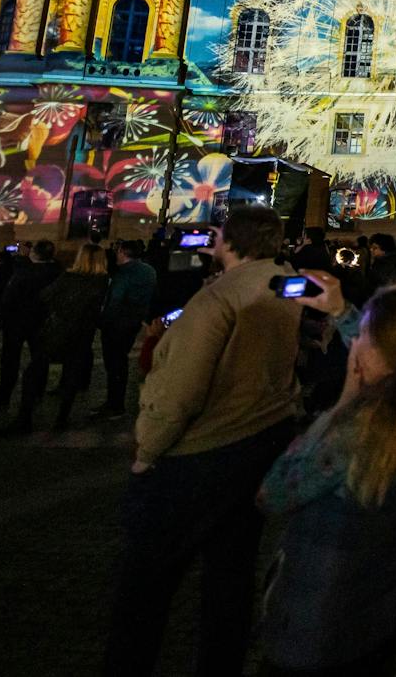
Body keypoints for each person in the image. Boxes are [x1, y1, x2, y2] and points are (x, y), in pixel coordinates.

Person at [101, 206, 303, 677]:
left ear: (232, 242)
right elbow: (321, 302)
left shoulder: (217, 300)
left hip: (203, 451)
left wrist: (146, 451)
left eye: (217, 233)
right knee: (230, 578)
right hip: (263, 436)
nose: (210, 239)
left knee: (143, 589)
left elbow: (182, 390)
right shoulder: (284, 281)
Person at [257, 275, 396, 676]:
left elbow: (273, 494)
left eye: (363, 335)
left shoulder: (353, 434)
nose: (354, 342)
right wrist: (342, 312)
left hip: (319, 615)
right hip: (388, 594)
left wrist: (341, 406)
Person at [0, 242, 110, 436]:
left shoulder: (70, 277)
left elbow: (46, 296)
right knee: (71, 377)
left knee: (33, 372)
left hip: (59, 330)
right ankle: (61, 419)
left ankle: (24, 419)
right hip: (83, 334)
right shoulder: (103, 281)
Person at [0, 240, 59, 413]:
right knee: (39, 358)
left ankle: (3, 396)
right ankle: (37, 393)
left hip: (17, 321)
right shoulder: (57, 272)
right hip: (41, 321)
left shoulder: (25, 272)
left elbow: (10, 295)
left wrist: (0, 316)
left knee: (10, 360)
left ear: (34, 253)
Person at [92, 239, 158, 420]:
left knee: (114, 364)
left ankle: (115, 404)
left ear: (122, 252)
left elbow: (114, 302)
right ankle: (115, 402)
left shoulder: (123, 275)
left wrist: (101, 321)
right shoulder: (149, 271)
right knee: (120, 361)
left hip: (116, 325)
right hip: (133, 322)